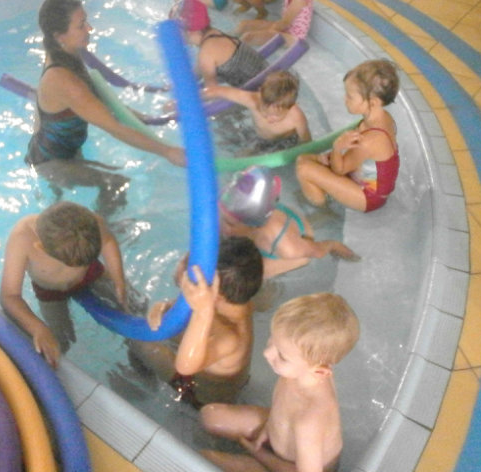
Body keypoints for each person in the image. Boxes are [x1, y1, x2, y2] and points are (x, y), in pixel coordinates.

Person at [25, 0, 186, 214]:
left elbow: (96, 101)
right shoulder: (64, 80)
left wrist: (143, 117)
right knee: (114, 183)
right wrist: (167, 151)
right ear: (59, 35)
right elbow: (115, 127)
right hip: (50, 161)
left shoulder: (63, 53)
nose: (89, 29)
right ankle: (106, 231)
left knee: (80, 193)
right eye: (81, 25)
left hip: (60, 148)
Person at [200, 292, 360, 472]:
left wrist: (258, 454)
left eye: (282, 356)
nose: (267, 353)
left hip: (292, 467)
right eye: (272, 340)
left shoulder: (310, 420)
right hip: (278, 432)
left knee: (204, 459)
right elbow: (281, 407)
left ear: (320, 371)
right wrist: (268, 429)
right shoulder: (301, 368)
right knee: (209, 416)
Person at [129, 236, 264, 408]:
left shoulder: (230, 338)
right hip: (210, 367)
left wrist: (202, 311)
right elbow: (192, 309)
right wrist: (165, 306)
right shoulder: (238, 301)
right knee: (167, 329)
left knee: (139, 341)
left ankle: (141, 386)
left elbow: (185, 366)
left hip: (197, 395)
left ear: (214, 295)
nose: (183, 265)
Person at [0, 201, 128, 367]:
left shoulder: (89, 224)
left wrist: (119, 281)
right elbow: (9, 296)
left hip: (91, 274)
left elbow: (108, 242)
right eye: (71, 265)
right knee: (60, 340)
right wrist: (38, 328)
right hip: (50, 292)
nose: (76, 270)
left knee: (127, 308)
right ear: (40, 247)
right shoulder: (23, 238)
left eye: (81, 265)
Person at [296, 59, 400, 213]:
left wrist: (337, 148)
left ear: (373, 102)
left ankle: (322, 210)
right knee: (303, 158)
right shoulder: (384, 117)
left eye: (350, 96)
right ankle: (324, 192)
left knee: (304, 169)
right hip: (361, 175)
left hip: (369, 196)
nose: (345, 99)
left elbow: (340, 170)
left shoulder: (371, 141)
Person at [219, 166, 359, 279]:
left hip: (294, 250)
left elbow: (317, 252)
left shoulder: (288, 247)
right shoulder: (242, 207)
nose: (223, 227)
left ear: (253, 223)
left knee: (250, 277)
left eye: (230, 224)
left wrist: (333, 245)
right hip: (273, 224)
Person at [170, 0, 269, 88]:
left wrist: (180, 98)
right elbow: (201, 68)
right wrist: (179, 83)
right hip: (268, 76)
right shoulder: (215, 34)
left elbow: (212, 91)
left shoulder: (206, 54)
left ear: (189, 32)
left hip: (261, 92)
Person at [202, 70, 312, 153]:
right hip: (260, 139)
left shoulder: (296, 117)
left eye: (276, 116)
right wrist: (196, 97)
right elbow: (219, 91)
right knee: (238, 154)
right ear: (260, 96)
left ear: (290, 107)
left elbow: (307, 143)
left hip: (285, 142)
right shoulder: (253, 100)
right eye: (265, 112)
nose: (269, 118)